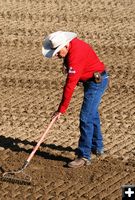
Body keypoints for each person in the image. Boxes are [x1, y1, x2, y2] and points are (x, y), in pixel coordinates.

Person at [42, 31, 109, 168]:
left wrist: (61, 109)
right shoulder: (72, 46)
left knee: (85, 117)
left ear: (66, 46)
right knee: (92, 114)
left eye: (58, 52)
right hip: (91, 80)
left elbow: (70, 85)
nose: (57, 56)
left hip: (96, 83)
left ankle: (84, 156)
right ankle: (97, 147)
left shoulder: (75, 55)